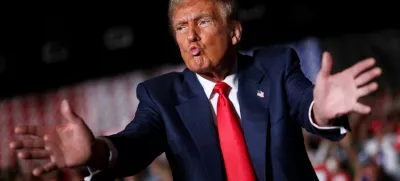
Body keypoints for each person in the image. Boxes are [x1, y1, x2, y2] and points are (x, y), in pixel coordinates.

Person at [9, 0, 382, 180]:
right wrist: (97, 151)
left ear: (234, 31)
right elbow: (134, 144)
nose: (191, 37)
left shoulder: (276, 65)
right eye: (181, 28)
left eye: (202, 22)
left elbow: (307, 106)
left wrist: (321, 109)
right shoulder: (161, 96)